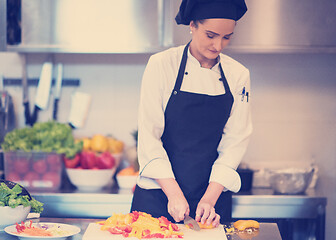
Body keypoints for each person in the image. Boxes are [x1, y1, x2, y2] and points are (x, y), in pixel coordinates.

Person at [131, 0, 252, 227]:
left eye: (227, 37)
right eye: (210, 35)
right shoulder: (161, 65)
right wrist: (174, 193)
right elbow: (149, 136)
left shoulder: (238, 75)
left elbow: (236, 141)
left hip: (212, 201)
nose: (218, 45)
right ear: (192, 25)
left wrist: (209, 198)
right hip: (158, 195)